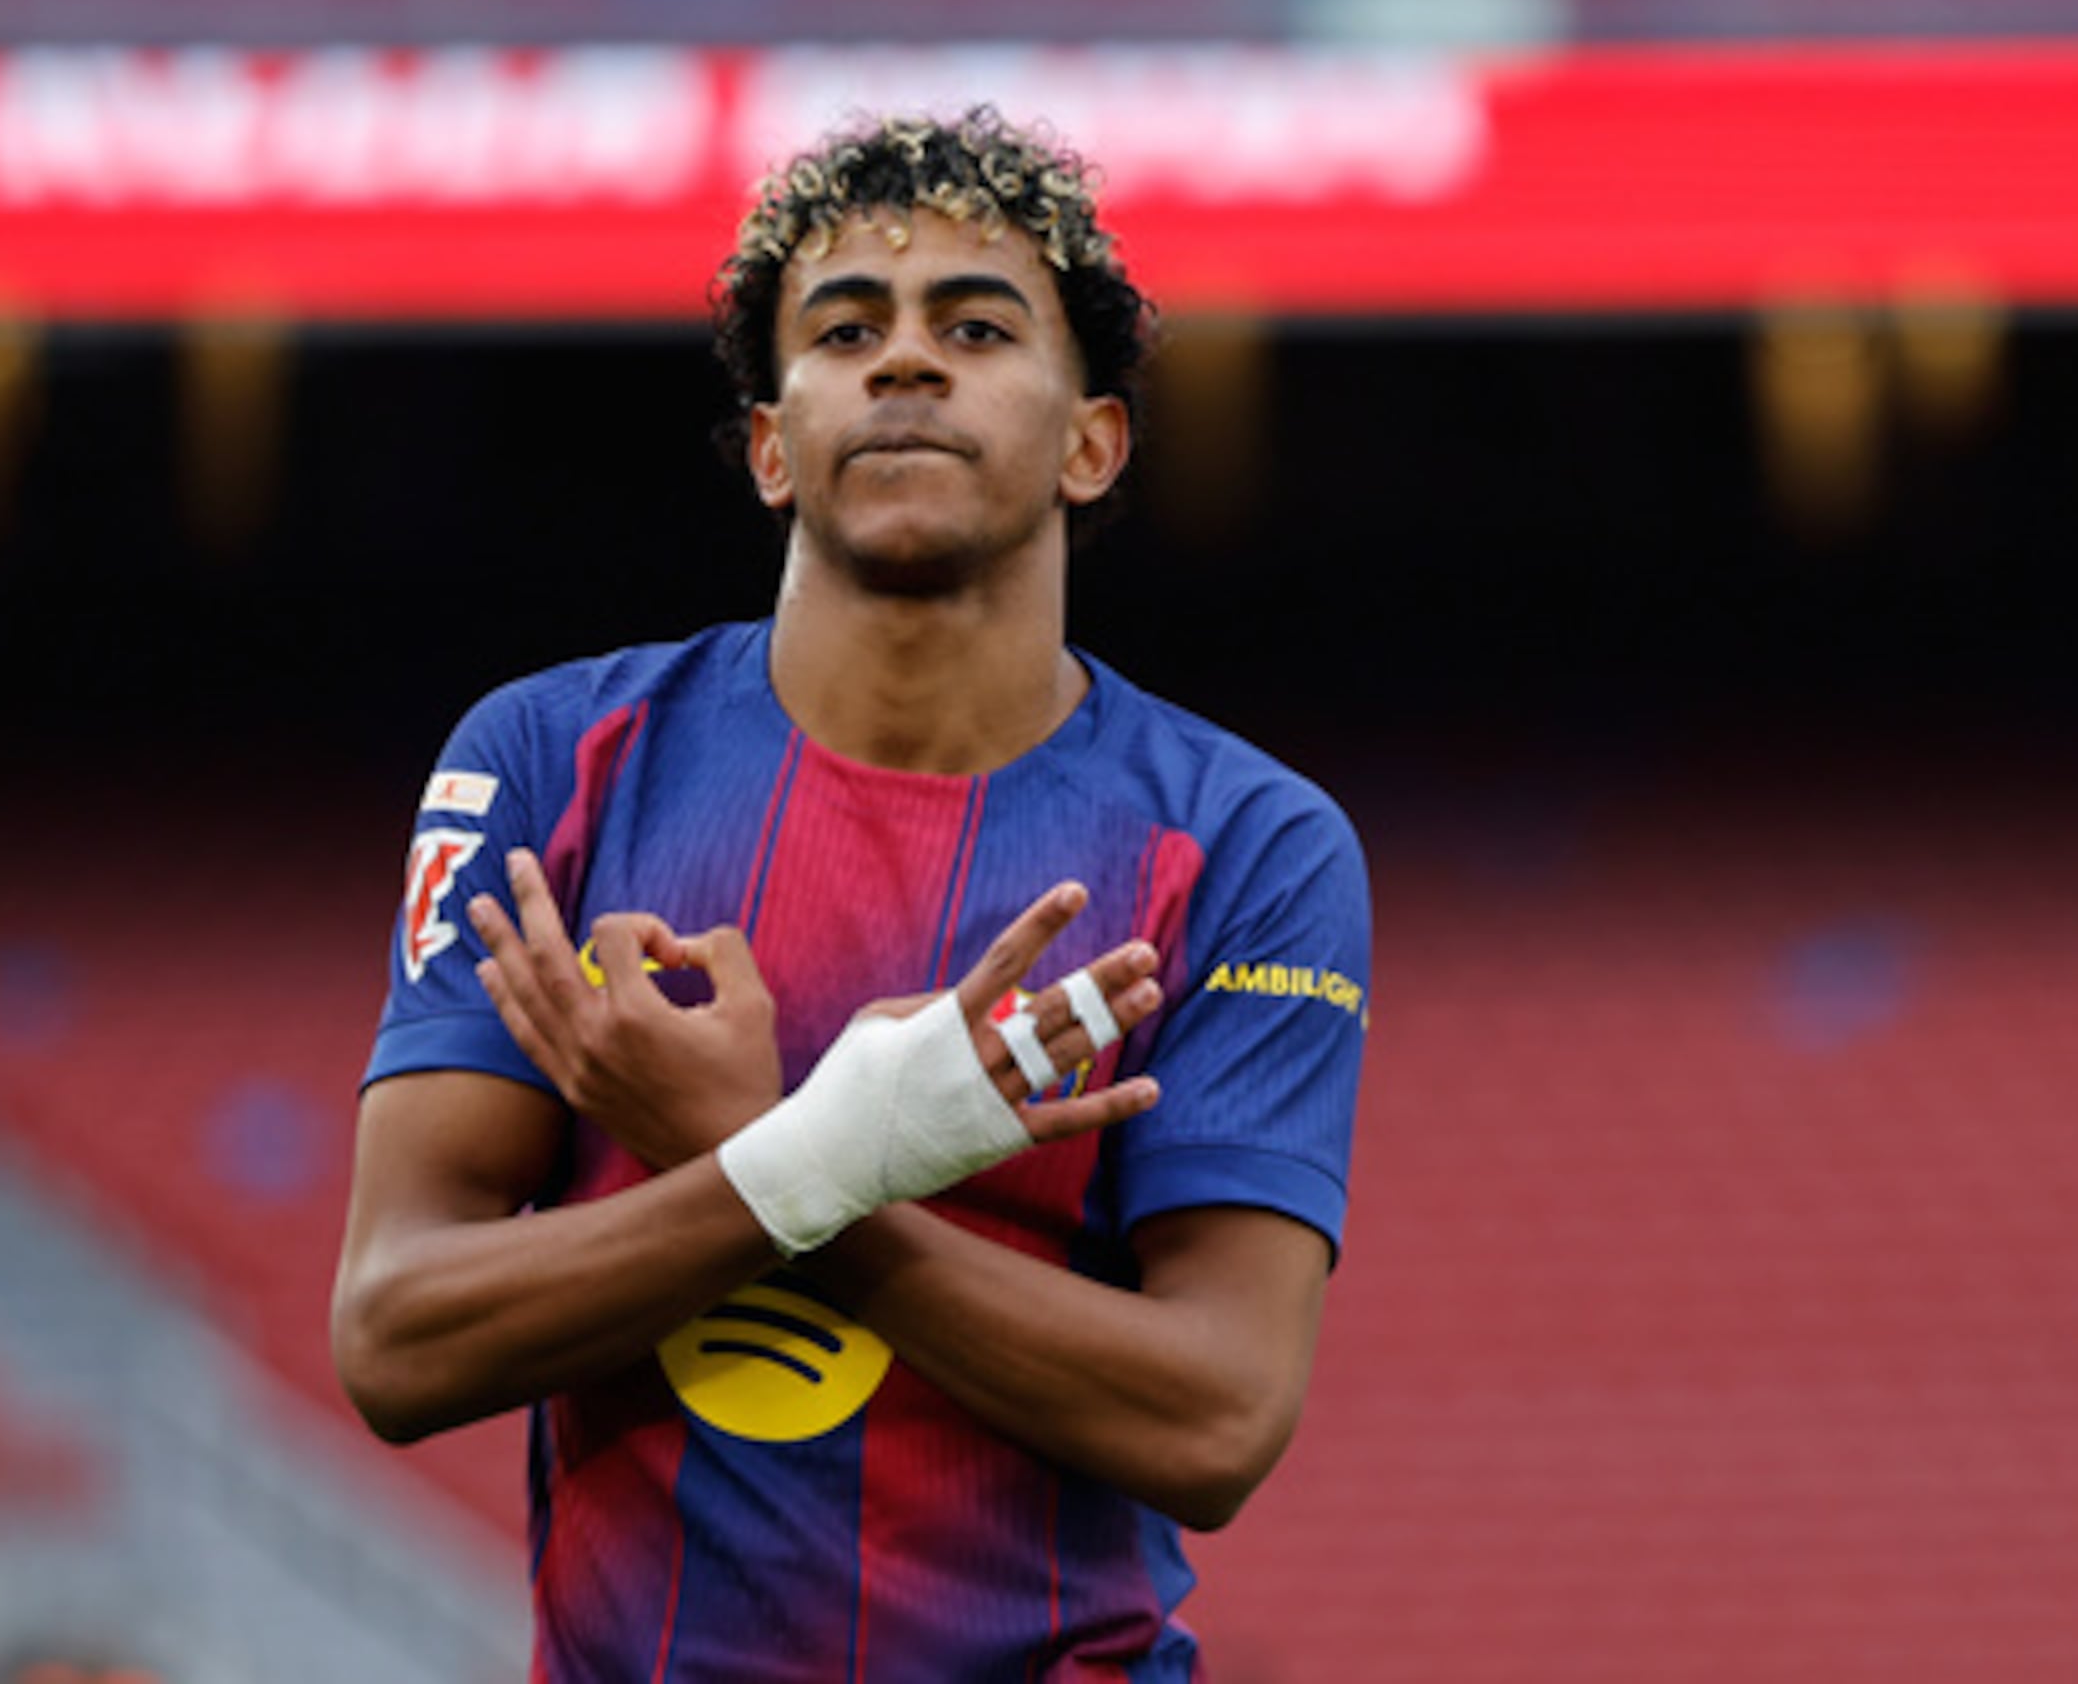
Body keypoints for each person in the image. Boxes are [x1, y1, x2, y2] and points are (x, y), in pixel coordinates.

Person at [332, 107, 1372, 1681]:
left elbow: (1218, 1414)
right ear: (769, 444)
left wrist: (785, 1167)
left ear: (1092, 440)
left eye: (973, 323)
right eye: (845, 327)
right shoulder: (552, 761)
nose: (904, 361)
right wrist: (819, 1159)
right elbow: (397, 1332)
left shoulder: (1246, 844)